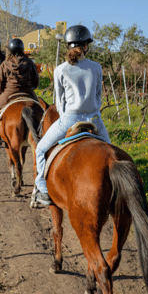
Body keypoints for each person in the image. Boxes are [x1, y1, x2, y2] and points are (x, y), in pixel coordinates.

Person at [31, 25, 111, 208]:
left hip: (69, 118)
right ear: (86, 46)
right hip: (94, 118)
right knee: (112, 153)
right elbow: (98, 94)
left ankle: (42, 189)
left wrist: (67, 114)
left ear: (68, 45)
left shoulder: (60, 70)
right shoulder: (96, 67)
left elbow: (59, 103)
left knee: (41, 150)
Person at [0, 38, 39, 143]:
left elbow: (0, 82)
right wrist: (32, 88)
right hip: (28, 92)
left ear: (10, 50)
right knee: (41, 108)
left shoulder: (5, 64)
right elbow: (36, 81)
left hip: (10, 91)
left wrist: (2, 91)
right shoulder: (30, 63)